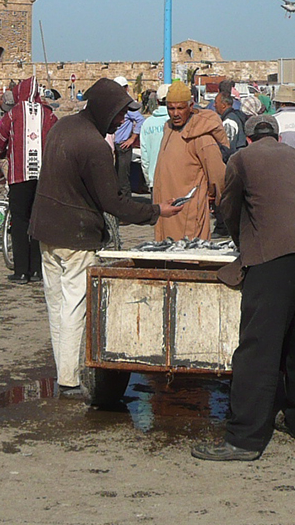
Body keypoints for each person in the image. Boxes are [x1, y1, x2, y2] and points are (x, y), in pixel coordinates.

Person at [192, 114, 295, 460]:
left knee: (259, 346)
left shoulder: (242, 158)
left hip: (276, 256)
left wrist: (243, 242)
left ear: (250, 138)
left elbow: (230, 206)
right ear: (279, 138)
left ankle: (244, 439)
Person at [30, 77, 183, 393]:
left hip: (46, 229)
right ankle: (70, 378)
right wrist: (157, 211)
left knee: (56, 304)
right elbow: (114, 203)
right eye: (119, 113)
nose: (122, 120)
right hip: (76, 235)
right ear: (103, 110)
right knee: (74, 306)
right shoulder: (95, 146)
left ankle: (64, 371)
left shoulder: (61, 128)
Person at [0, 77, 57, 284]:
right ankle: (37, 269)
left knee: (19, 222)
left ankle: (21, 271)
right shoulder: (49, 116)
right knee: (39, 222)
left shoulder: (12, 115)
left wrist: (1, 154)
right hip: (44, 179)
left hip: (19, 176)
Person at [152, 81, 228, 241]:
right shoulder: (169, 129)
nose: (175, 114)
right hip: (166, 207)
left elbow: (217, 175)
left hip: (189, 211)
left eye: (180, 108)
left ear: (191, 106)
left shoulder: (202, 137)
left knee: (188, 256)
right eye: (171, 109)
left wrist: (213, 197)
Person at [112, 76, 144, 196]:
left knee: (123, 178)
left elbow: (140, 120)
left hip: (123, 145)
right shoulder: (115, 103)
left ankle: (126, 205)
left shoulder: (128, 105)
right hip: (113, 144)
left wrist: (132, 139)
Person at [139, 84, 170, 189]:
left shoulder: (147, 124)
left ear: (157, 101)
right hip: (175, 181)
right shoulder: (177, 122)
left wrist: (148, 180)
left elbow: (145, 157)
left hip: (155, 180)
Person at [214, 84, 247, 162]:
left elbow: (227, 147)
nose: (214, 105)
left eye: (216, 103)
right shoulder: (234, 115)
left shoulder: (229, 121)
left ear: (223, 105)